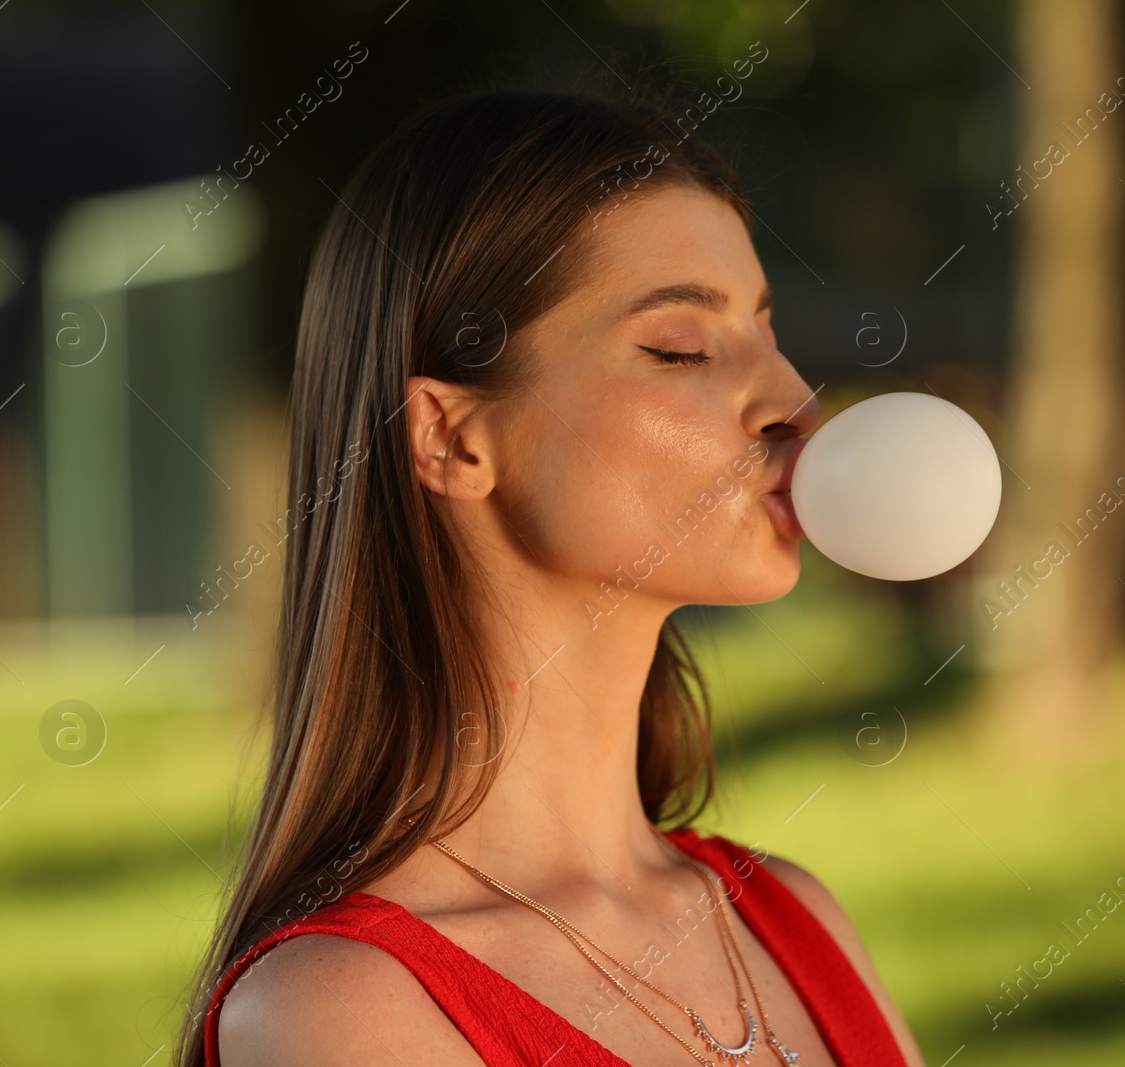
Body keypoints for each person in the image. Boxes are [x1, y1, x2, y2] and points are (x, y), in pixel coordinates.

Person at [175, 88, 927, 1067]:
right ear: (450, 436)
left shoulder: (792, 914)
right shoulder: (339, 1011)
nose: (791, 397)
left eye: (765, 328)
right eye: (679, 346)